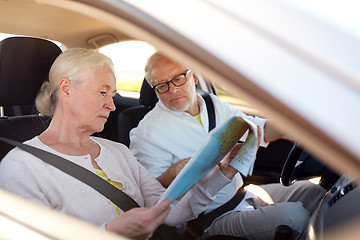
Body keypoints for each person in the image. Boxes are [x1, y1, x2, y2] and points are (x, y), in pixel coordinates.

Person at [0, 48, 246, 240]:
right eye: (102, 92)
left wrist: (223, 172)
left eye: (113, 94)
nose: (112, 105)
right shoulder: (20, 168)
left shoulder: (118, 152)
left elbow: (170, 212)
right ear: (66, 89)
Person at [129, 52, 327, 240]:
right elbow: (151, 195)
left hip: (244, 194)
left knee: (316, 193)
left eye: (178, 78)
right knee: (295, 217)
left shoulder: (212, 103)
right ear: (154, 89)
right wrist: (173, 172)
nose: (172, 89)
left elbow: (258, 129)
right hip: (209, 219)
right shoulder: (146, 133)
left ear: (194, 77)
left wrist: (297, 121)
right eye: (161, 86)